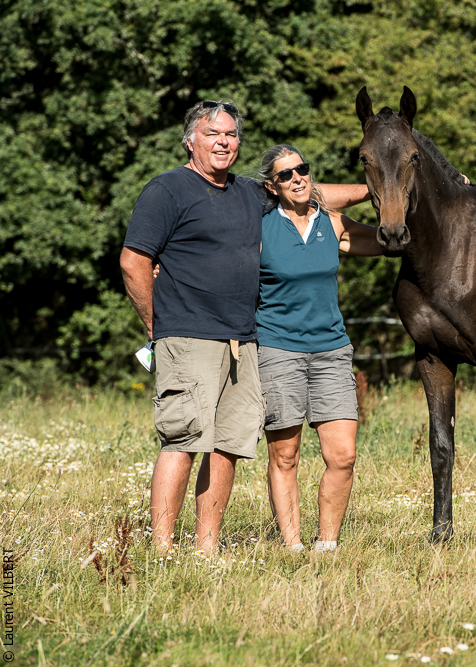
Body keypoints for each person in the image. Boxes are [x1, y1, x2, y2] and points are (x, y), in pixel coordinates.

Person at [120, 101, 368, 555]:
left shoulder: (249, 193)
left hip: (243, 339)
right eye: (214, 132)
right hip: (187, 334)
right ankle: (161, 548)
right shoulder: (168, 190)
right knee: (183, 439)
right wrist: (157, 327)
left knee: (228, 444)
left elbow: (311, 195)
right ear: (191, 138)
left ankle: (207, 547)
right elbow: (134, 260)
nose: (224, 142)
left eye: (231, 135)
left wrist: (378, 187)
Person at [255, 144, 380, 553]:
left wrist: (443, 193)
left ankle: (327, 545)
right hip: (278, 348)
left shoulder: (333, 223)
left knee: (342, 455)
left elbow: (391, 240)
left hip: (331, 350)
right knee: (285, 455)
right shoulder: (260, 228)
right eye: (286, 175)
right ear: (272, 186)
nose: (297, 178)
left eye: (302, 170)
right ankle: (292, 545)